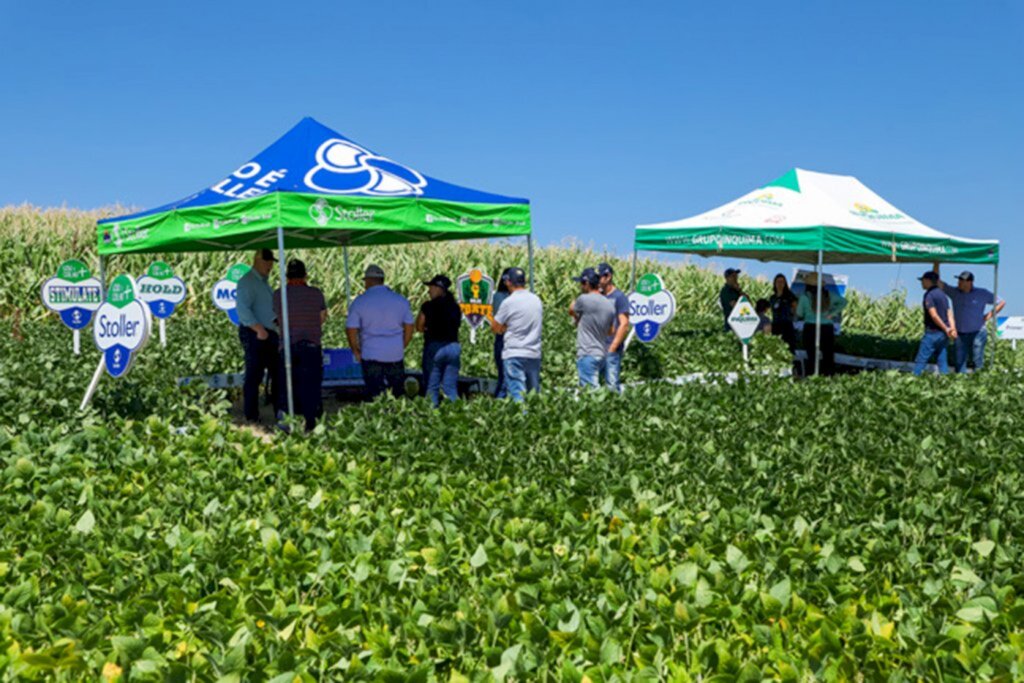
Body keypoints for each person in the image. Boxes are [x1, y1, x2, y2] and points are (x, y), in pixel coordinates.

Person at [346, 264, 415, 399]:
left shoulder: (360, 302)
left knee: (374, 395)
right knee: (397, 394)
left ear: (369, 281)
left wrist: (355, 350)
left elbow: (351, 329)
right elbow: (409, 326)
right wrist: (402, 345)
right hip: (395, 354)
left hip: (371, 353)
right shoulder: (400, 300)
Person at [273, 259, 327, 432]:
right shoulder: (316, 293)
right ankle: (311, 423)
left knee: (287, 387)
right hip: (311, 346)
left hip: (288, 346)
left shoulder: (278, 294)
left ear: (287, 275)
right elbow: (322, 317)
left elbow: (276, 319)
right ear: (305, 275)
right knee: (311, 386)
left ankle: (286, 425)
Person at [934, 262, 1005, 373]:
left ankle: (979, 382)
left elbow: (1001, 302)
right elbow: (938, 283)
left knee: (977, 359)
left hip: (978, 332)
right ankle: (961, 383)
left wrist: (988, 316)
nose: (959, 282)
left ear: (969, 282)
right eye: (959, 280)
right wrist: (936, 264)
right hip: (960, 333)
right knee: (959, 361)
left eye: (961, 280)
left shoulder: (982, 293)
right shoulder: (954, 292)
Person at [236, 248, 280, 423]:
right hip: (255, 333)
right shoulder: (247, 281)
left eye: (271, 262)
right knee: (254, 375)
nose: (269, 265)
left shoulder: (263, 282)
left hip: (268, 332)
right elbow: (243, 309)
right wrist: (258, 329)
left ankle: (279, 411)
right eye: (266, 261)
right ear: (256, 260)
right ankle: (251, 414)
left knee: (277, 374)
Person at [489, 267, 542, 402]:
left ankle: (520, 422)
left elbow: (495, 326)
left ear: (508, 282)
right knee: (532, 395)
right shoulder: (536, 300)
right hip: (533, 353)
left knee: (517, 395)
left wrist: (506, 326)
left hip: (514, 353)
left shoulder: (508, 302)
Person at [416, 274, 462, 406]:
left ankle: (432, 417)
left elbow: (419, 327)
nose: (429, 290)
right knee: (450, 388)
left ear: (438, 288)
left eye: (431, 287)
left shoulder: (428, 306)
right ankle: (456, 414)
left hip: (435, 347)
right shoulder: (455, 307)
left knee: (432, 387)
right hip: (453, 347)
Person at [570, 268, 616, 388]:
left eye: (581, 283)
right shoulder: (609, 304)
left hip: (587, 353)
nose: (580, 286)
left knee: (590, 396)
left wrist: (577, 318)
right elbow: (611, 331)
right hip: (601, 354)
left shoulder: (583, 299)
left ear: (587, 283)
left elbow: (571, 309)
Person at [795, 274, 846, 376]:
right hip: (827, 328)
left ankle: (812, 377)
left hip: (810, 327)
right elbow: (843, 302)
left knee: (811, 355)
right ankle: (828, 377)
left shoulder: (805, 297)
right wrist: (832, 314)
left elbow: (799, 313)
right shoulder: (829, 295)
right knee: (828, 355)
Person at [913, 270, 956, 376]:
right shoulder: (943, 295)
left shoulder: (929, 295)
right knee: (942, 361)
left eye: (923, 281)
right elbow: (949, 314)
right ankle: (946, 382)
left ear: (928, 281)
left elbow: (934, 315)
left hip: (933, 332)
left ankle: (913, 380)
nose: (922, 283)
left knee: (921, 360)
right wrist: (951, 329)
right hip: (943, 335)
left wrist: (946, 328)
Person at [597, 262, 630, 392]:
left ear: (608, 277)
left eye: (599, 277)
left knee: (611, 386)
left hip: (611, 349)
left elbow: (624, 323)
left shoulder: (619, 297)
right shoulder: (598, 296)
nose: (597, 280)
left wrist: (613, 347)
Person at [491, 270, 511, 398]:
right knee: (504, 377)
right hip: (504, 337)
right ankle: (499, 403)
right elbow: (500, 321)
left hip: (509, 338)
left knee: (506, 376)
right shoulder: (499, 296)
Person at [769, 274, 798, 350]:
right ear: (775, 283)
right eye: (778, 282)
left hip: (787, 326)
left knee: (788, 348)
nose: (780, 284)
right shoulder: (772, 298)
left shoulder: (790, 295)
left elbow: (795, 308)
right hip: (776, 325)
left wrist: (791, 312)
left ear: (785, 284)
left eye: (782, 282)